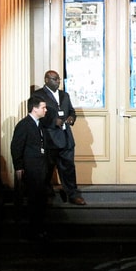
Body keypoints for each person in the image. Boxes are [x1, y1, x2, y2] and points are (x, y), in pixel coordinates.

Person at [33, 70, 86, 205]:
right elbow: (36, 115)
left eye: (58, 79)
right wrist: (53, 121)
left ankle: (73, 194)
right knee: (47, 169)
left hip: (66, 138)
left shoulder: (64, 95)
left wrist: (71, 118)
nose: (58, 81)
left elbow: (72, 111)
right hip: (49, 138)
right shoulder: (38, 95)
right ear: (46, 80)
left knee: (68, 168)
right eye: (54, 79)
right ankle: (47, 195)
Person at [11, 95, 51, 241]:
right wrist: (19, 166)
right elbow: (16, 146)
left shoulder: (40, 125)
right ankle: (33, 230)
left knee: (40, 200)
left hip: (40, 168)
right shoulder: (24, 125)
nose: (46, 110)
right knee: (34, 200)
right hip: (31, 169)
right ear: (34, 108)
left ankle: (38, 228)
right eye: (43, 107)